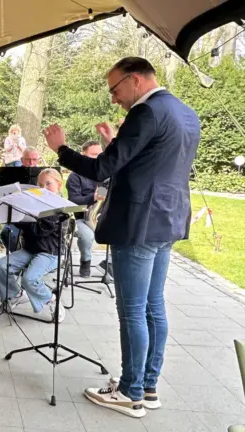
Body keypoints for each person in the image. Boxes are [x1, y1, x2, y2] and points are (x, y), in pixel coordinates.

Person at [44, 57, 200, 419]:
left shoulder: (145, 113)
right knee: (153, 306)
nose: (114, 99)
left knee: (132, 310)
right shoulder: (183, 111)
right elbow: (154, 161)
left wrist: (61, 150)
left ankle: (130, 393)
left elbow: (100, 168)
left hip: (139, 222)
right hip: (168, 220)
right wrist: (115, 141)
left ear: (134, 80)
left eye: (115, 89)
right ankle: (147, 385)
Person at [0, 168, 67, 323]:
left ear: (59, 185)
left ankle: (52, 300)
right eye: (40, 185)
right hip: (30, 249)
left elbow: (38, 231)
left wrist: (21, 217)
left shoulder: (61, 208)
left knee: (29, 279)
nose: (44, 188)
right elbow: (27, 228)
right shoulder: (36, 203)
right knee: (0, 266)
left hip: (50, 252)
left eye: (48, 184)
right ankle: (15, 296)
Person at [66, 141, 106, 277]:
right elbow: (74, 201)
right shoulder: (75, 176)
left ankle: (110, 264)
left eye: (100, 154)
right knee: (87, 237)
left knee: (120, 231)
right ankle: (85, 261)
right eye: (93, 154)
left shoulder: (104, 176)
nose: (98, 158)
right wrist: (93, 197)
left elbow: (105, 198)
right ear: (83, 156)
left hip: (100, 216)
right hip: (80, 217)